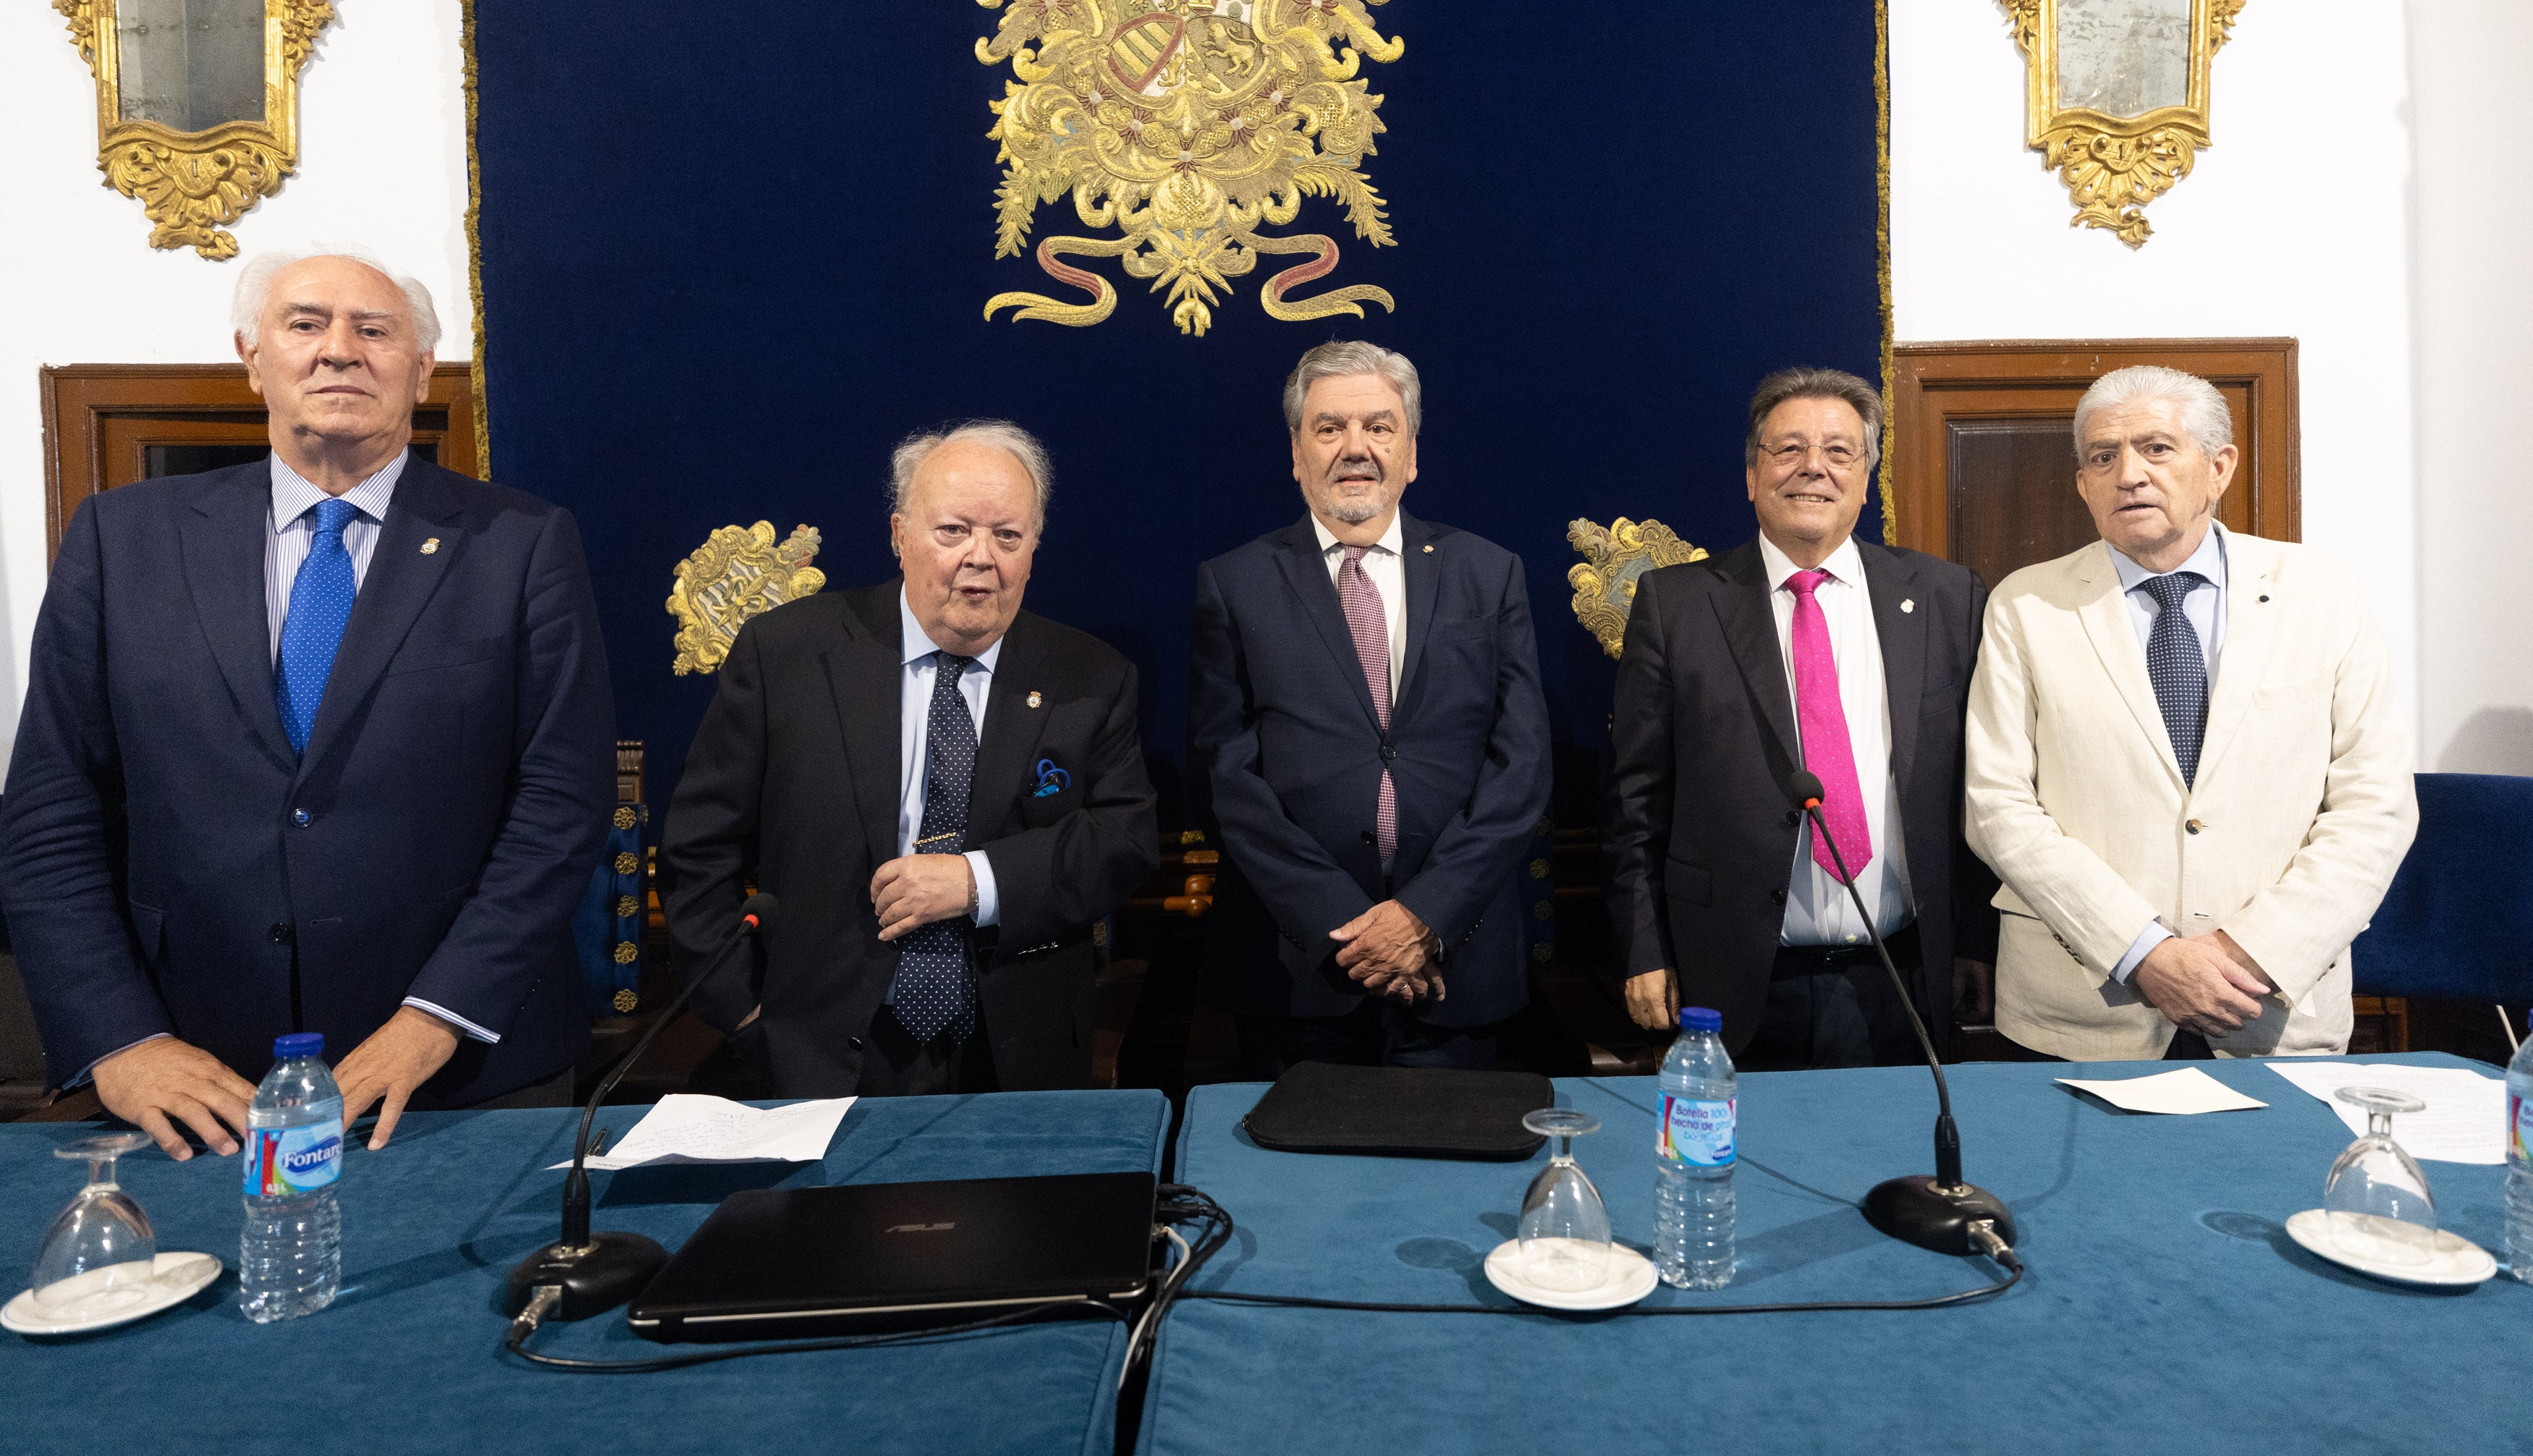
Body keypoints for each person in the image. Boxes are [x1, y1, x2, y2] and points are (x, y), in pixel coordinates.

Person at [0, 247, 616, 1159]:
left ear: (417, 369)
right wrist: (119, 1037)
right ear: (254, 358)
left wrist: (438, 1013)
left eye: (374, 330)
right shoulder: (120, 539)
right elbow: (51, 812)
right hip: (194, 1077)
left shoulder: (521, 544)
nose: (339, 350)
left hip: (462, 1076)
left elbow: (560, 804)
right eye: (305, 323)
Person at [660, 423, 1156, 1096]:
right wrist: (744, 1013)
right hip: (814, 1052)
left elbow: (1122, 841)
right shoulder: (787, 655)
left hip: (1016, 1059)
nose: (981, 557)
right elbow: (697, 850)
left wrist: (975, 883)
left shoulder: (1090, 676)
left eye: (1007, 536)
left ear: (1033, 549)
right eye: (953, 530)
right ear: (899, 535)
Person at [1966, 365, 2416, 1060]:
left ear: (2219, 467)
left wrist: (2247, 953)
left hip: (2268, 1011)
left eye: (2157, 448)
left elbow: (2376, 807)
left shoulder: (2321, 594)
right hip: (2084, 1014)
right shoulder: (2026, 605)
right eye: (2103, 456)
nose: (2130, 474)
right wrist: (2144, 951)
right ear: (2083, 483)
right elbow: (1998, 808)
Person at [1604, 367, 1995, 1069]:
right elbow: (1637, 801)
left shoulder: (1943, 595)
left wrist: (1973, 941)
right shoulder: (1676, 604)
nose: (1812, 466)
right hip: (1730, 977)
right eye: (1787, 449)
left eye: (1838, 451)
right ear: (1751, 474)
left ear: (1866, 478)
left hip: (1901, 976)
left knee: (1894, 1173)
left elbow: (1971, 785)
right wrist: (1642, 949)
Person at [1190, 341, 1552, 1072]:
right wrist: (1346, 928)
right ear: (1295, 452)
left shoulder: (1488, 573)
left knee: (1450, 1184)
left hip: (1454, 963)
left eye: (1378, 427)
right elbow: (1222, 779)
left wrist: (1425, 914)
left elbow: (1522, 765)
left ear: (1411, 451)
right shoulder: (1235, 583)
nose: (1355, 447)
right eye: (1329, 428)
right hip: (1300, 974)